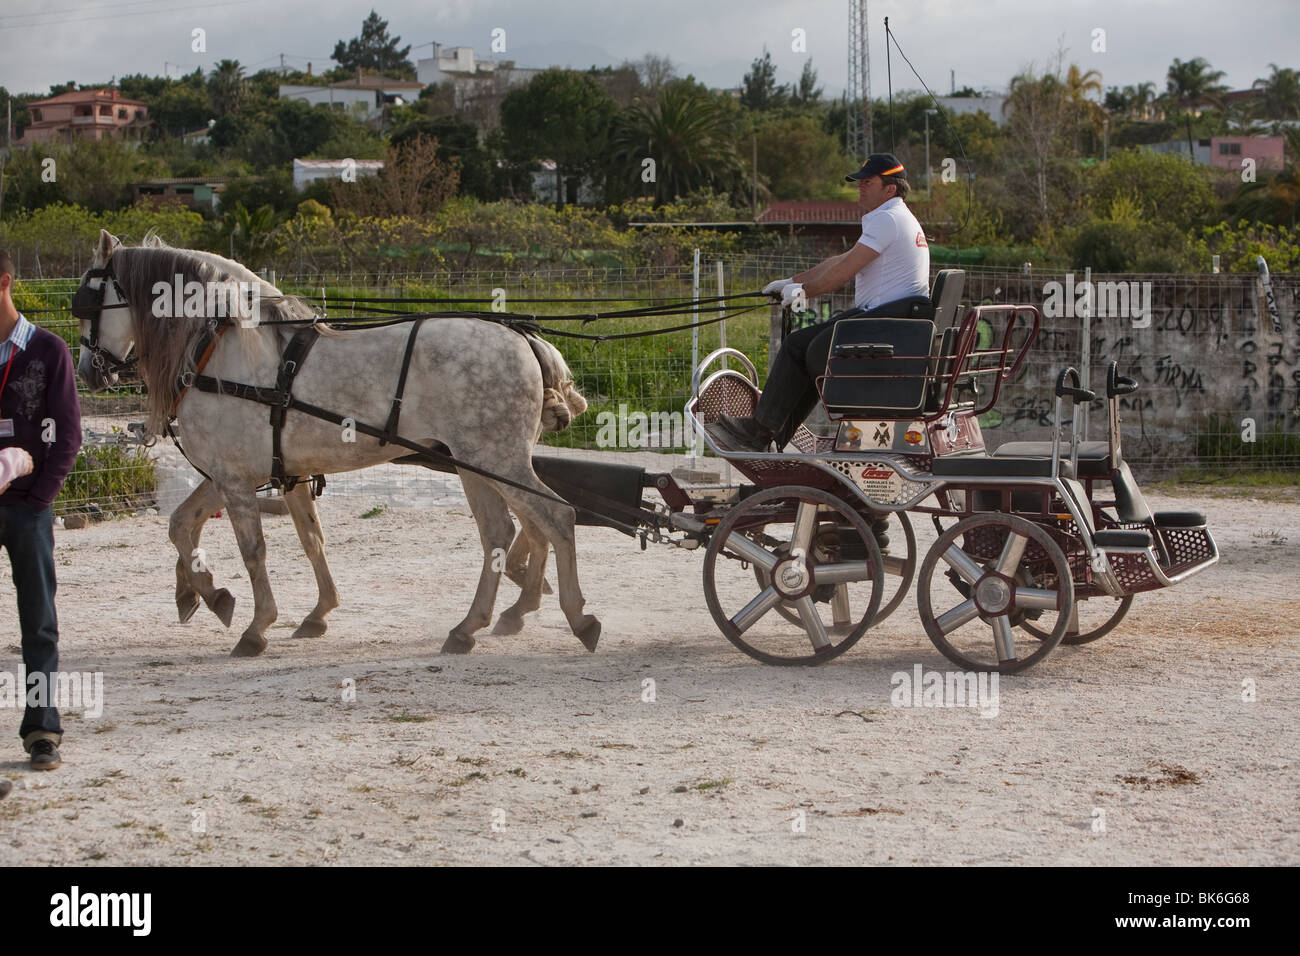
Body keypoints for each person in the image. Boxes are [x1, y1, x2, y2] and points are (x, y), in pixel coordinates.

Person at [710, 154, 932, 452]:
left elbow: (840, 275)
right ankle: (769, 433)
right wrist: (792, 282)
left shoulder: (888, 219)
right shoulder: (896, 216)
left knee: (799, 348)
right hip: (888, 323)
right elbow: (839, 260)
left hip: (883, 327)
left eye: (868, 182)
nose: (860, 188)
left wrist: (803, 292)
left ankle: (760, 432)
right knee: (804, 349)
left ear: (889, 189)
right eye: (860, 183)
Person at [0, 249, 82, 771]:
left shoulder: (47, 350)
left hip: (26, 510)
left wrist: (39, 497)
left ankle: (41, 730)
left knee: (39, 621)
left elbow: (69, 435)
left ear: (4, 281)